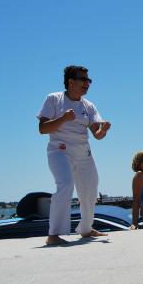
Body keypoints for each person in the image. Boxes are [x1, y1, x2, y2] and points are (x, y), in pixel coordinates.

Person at [37, 65, 111, 245]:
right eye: (84, 80)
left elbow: (97, 135)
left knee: (91, 190)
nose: (88, 83)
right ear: (71, 82)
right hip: (59, 151)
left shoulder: (89, 105)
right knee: (66, 184)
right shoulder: (54, 99)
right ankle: (53, 234)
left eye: (89, 80)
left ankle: (86, 229)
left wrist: (104, 130)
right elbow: (42, 129)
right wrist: (63, 118)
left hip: (83, 153)